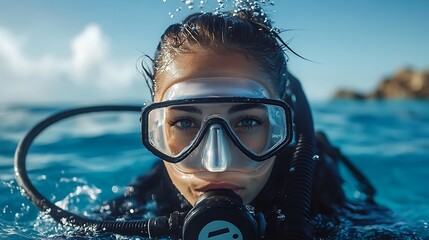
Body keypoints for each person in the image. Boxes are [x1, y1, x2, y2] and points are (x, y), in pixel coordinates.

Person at [99, 9, 394, 239]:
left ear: (280, 129)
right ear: (157, 131)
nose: (217, 163)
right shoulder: (150, 193)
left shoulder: (313, 186)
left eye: (248, 121)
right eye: (186, 122)